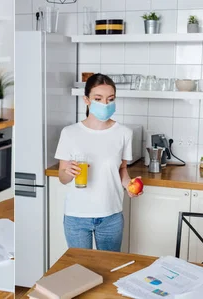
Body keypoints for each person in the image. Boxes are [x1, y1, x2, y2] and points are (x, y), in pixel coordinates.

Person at [54, 73, 142, 252]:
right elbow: (62, 177)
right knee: (80, 271)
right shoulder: (69, 133)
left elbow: (122, 170)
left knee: (108, 269)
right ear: (86, 100)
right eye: (98, 98)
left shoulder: (124, 133)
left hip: (111, 215)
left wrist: (129, 185)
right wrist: (68, 172)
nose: (105, 104)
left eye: (110, 99)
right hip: (77, 216)